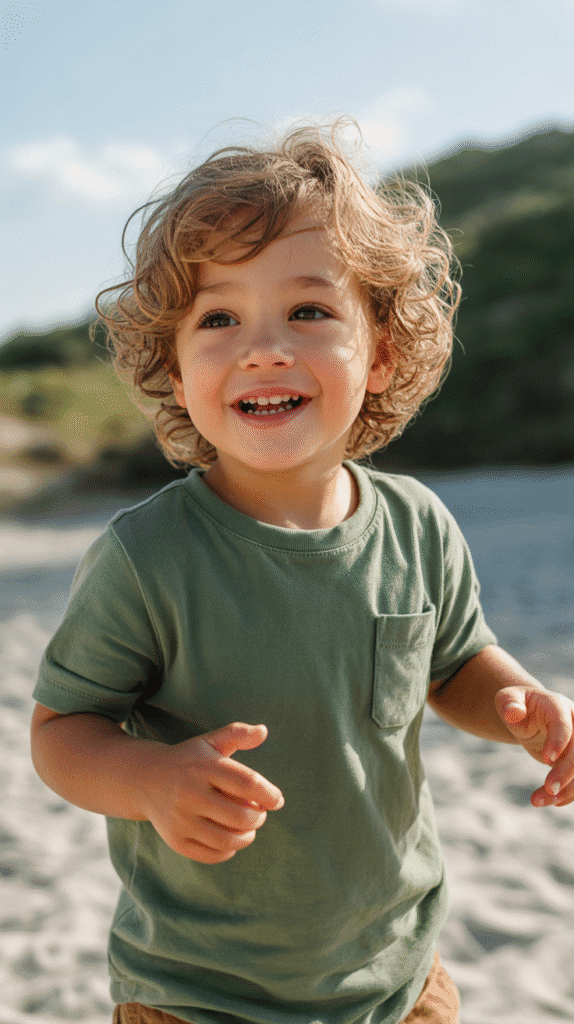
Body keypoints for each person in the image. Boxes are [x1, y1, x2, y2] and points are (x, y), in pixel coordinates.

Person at [30, 121, 574, 1024]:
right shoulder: (148, 557)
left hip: (398, 973)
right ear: (175, 364)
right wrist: (152, 780)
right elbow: (61, 732)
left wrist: (523, 704)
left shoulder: (418, 526)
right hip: (199, 994)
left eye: (310, 311)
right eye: (218, 318)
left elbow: (454, 664)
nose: (265, 347)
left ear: (384, 350)